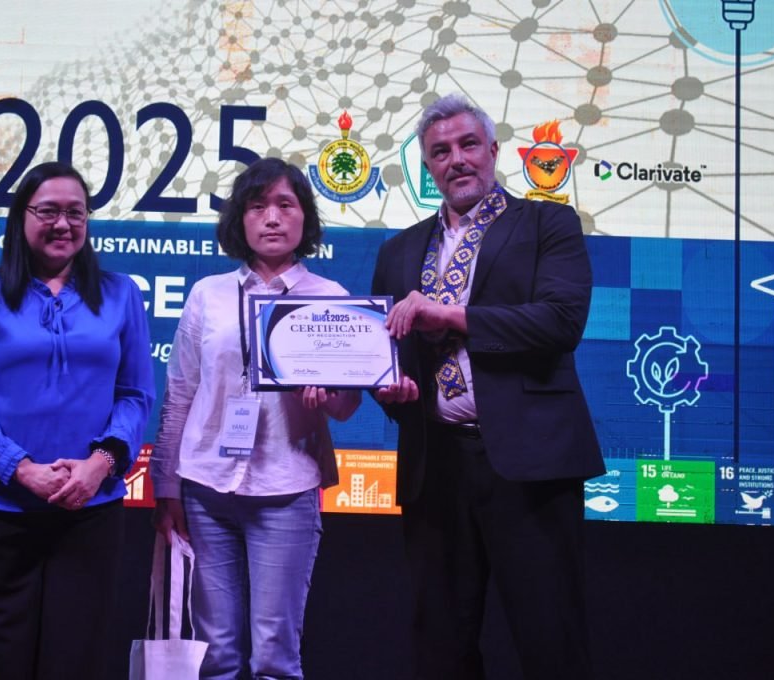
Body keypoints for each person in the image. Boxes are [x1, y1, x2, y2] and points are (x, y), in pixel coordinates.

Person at [370, 94, 606, 679]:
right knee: (441, 646)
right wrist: (391, 392)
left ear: (493, 150)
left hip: (531, 464)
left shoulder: (548, 224)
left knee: (551, 640)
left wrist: (451, 316)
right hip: (435, 466)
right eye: (439, 152)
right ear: (428, 166)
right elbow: (388, 355)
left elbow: (561, 322)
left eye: (468, 144)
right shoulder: (398, 250)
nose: (456, 159)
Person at [0, 161, 155, 680]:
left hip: (91, 510)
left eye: (76, 213)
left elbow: (135, 395)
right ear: (22, 217)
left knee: (75, 660)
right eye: (48, 211)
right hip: (3, 508)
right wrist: (21, 469)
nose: (63, 224)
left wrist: (100, 465)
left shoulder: (121, 294)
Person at [150, 157, 360, 680]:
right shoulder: (208, 295)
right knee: (216, 654)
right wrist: (166, 488)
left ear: (305, 218)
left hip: (286, 489)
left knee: (274, 657)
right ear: (239, 219)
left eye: (285, 205)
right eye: (257, 205)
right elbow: (180, 394)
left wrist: (325, 396)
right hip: (205, 489)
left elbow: (347, 405)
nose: (271, 217)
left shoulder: (331, 298)